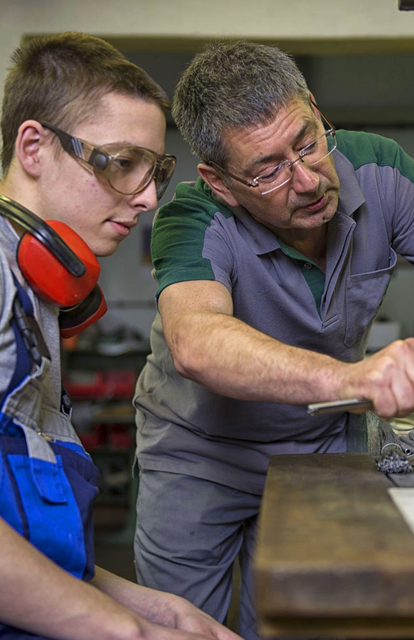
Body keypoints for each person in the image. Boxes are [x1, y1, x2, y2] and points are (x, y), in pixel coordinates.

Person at [132, 40, 414, 639]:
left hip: (319, 450)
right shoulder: (193, 217)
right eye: (268, 170)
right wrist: (354, 378)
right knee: (178, 630)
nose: (306, 180)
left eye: (307, 142)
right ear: (219, 182)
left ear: (318, 110)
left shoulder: (380, 171)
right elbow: (197, 340)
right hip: (199, 455)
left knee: (302, 618)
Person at [0, 33, 241, 640]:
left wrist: (153, 607)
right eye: (122, 162)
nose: (151, 197)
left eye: (156, 169)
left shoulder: (33, 291)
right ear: (34, 147)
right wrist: (126, 630)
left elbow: (32, 544)